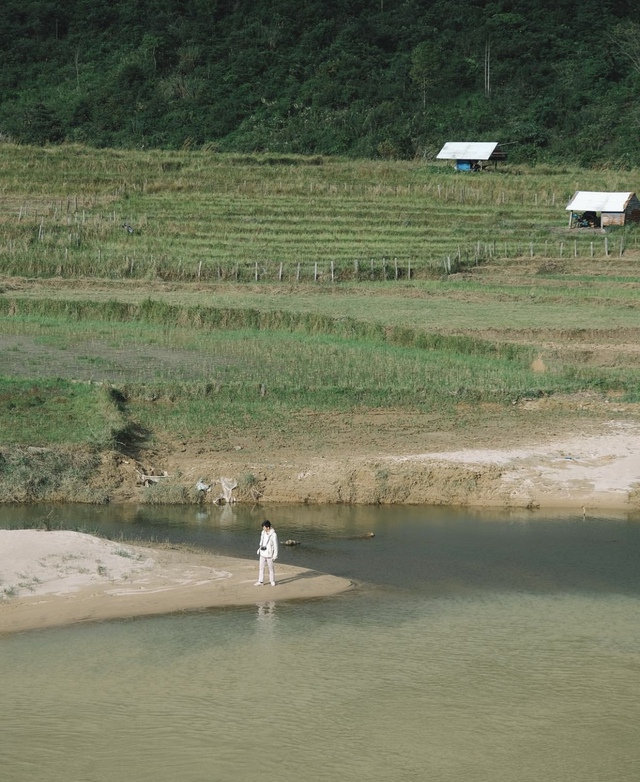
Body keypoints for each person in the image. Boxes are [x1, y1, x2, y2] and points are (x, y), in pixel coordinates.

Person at [255, 520, 278, 586]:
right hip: (262, 553)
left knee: (271, 568)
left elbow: (275, 546)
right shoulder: (263, 532)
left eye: (264, 527)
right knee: (261, 567)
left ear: (268, 527)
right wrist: (259, 549)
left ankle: (272, 580)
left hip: (269, 554)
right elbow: (261, 541)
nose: (263, 528)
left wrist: (275, 555)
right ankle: (260, 581)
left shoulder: (273, 535)